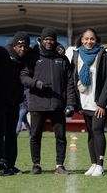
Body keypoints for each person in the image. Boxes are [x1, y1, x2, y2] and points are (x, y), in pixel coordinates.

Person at [20, 27, 76, 175]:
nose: (48, 42)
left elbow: (70, 83)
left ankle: (59, 165)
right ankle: (36, 165)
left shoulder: (62, 58)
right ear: (41, 40)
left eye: (51, 39)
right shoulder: (33, 56)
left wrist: (70, 103)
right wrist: (35, 83)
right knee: (35, 136)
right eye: (46, 39)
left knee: (60, 137)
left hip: (58, 105)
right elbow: (23, 76)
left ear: (55, 41)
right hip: (37, 104)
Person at [71, 28, 107, 176]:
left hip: (101, 103)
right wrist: (77, 103)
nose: (89, 42)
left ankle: (100, 165)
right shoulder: (77, 55)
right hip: (85, 102)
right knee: (91, 132)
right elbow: (73, 79)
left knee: (97, 130)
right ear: (82, 40)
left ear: (96, 40)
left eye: (92, 39)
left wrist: (102, 103)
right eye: (86, 39)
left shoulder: (103, 54)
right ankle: (94, 163)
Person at [0, 31, 31, 175]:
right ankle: (1, 164)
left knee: (11, 134)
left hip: (14, 102)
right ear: (14, 45)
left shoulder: (26, 57)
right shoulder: (1, 53)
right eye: (19, 46)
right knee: (0, 133)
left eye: (25, 46)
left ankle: (11, 163)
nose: (22, 49)